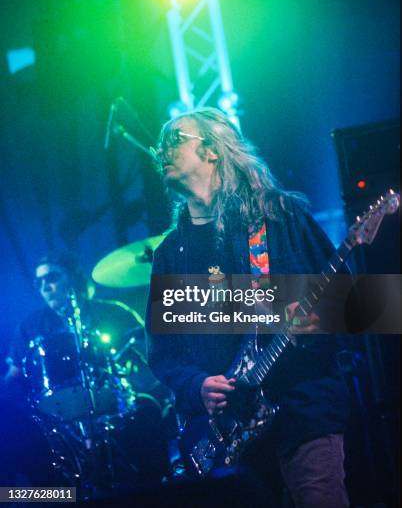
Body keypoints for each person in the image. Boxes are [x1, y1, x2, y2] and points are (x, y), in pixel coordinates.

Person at [146, 108, 351, 507]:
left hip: (301, 412)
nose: (161, 151)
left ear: (212, 150)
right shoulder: (171, 255)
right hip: (229, 437)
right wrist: (196, 385)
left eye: (175, 139)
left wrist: (321, 320)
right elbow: (164, 353)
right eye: (162, 144)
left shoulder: (280, 217)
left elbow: (353, 301)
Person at [4, 251, 168, 493]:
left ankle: (158, 492)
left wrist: (134, 369)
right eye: (39, 283)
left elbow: (156, 358)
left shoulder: (112, 312)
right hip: (56, 416)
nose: (45, 287)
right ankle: (50, 498)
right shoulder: (31, 326)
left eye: (52, 278)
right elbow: (13, 379)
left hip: (115, 404)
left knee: (148, 409)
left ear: (73, 277)